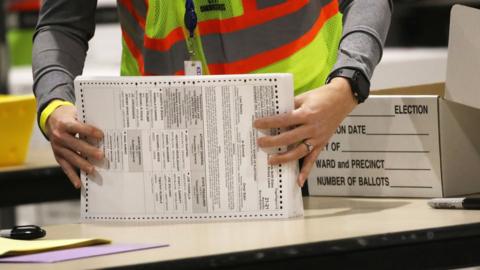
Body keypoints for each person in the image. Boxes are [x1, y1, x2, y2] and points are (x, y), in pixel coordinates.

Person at [32, 0, 392, 189]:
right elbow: (61, 23)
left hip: (305, 142)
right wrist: (53, 105)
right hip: (164, 158)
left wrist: (348, 83)